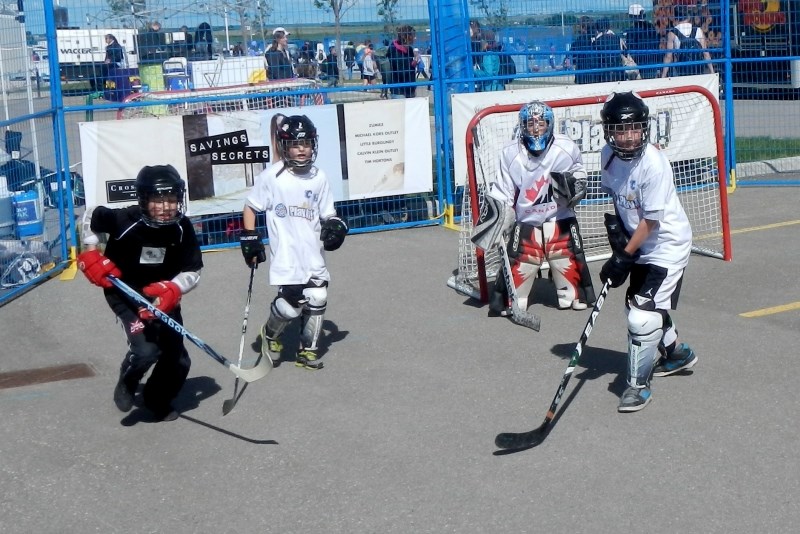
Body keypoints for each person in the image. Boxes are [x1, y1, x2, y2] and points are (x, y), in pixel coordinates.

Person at [76, 165, 203, 421]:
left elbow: (194, 270)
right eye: (158, 200)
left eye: (172, 199)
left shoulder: (182, 228)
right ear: (144, 200)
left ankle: (156, 400)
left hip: (162, 298)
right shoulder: (124, 220)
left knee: (177, 359)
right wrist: (90, 250)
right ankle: (129, 377)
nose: (166, 206)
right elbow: (89, 216)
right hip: (124, 293)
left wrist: (174, 288)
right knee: (147, 351)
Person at [598, 91, 698, 413]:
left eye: (635, 129)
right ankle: (677, 353)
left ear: (645, 128)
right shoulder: (607, 157)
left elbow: (651, 222)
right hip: (641, 243)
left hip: (666, 245)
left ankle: (637, 387)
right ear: (608, 132)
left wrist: (623, 256)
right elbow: (619, 198)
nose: (628, 138)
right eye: (620, 130)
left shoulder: (654, 164)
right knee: (637, 303)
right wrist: (619, 239)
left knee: (641, 317)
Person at [239, 115, 348, 370]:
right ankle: (269, 335)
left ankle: (306, 351)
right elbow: (250, 207)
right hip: (286, 255)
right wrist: (250, 237)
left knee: (318, 296)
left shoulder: (319, 177)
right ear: (284, 146)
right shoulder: (272, 177)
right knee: (290, 309)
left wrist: (336, 227)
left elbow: (328, 214)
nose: (302, 149)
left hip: (312, 253)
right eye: (296, 144)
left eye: (307, 143)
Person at [473, 101, 595, 316]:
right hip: (527, 221)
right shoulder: (511, 154)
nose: (536, 129)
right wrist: (498, 219)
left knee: (574, 292)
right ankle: (511, 296)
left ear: (551, 124)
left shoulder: (565, 148)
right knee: (515, 292)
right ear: (522, 126)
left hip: (560, 217)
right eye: (530, 124)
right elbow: (503, 191)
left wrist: (576, 186)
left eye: (541, 123)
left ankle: (574, 291)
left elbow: (579, 173)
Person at [661, 3, 714, 78]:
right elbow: (705, 53)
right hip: (697, 69)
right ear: (688, 17)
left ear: (675, 18)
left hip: (681, 70)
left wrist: (663, 75)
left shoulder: (672, 33)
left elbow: (668, 56)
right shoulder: (698, 30)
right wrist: (712, 71)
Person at [623, 4, 661, 79]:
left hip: (640, 63)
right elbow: (657, 43)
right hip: (654, 61)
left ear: (632, 16)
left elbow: (631, 49)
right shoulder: (651, 27)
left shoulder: (631, 31)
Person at [387, 25, 417, 99]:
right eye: (413, 35)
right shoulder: (394, 50)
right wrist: (414, 62)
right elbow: (401, 70)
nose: (415, 38)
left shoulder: (409, 49)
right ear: (406, 37)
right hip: (398, 89)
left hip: (410, 88)